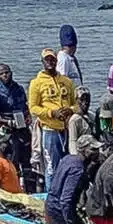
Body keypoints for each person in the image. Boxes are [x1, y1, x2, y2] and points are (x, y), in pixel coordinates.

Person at [29, 48, 76, 190]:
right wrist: (51, 113)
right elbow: (33, 108)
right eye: (47, 59)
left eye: (52, 59)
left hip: (67, 129)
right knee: (52, 167)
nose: (50, 62)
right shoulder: (37, 83)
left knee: (68, 165)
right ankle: (52, 197)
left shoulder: (66, 81)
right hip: (50, 130)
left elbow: (76, 104)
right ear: (42, 62)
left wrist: (70, 110)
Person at [44, 135, 102, 224]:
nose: (97, 152)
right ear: (83, 150)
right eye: (93, 150)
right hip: (58, 210)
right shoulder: (77, 168)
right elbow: (65, 200)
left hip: (51, 205)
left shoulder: (68, 158)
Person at [0, 64, 34, 191]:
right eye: (2, 74)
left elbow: (25, 106)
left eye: (7, 72)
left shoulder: (19, 89)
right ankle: (15, 190)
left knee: (28, 162)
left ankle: (31, 191)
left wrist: (28, 117)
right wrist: (6, 122)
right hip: (10, 132)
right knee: (13, 162)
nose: (5, 75)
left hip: (23, 129)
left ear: (11, 73)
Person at [67, 86, 96, 155]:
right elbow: (72, 141)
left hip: (92, 149)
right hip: (82, 152)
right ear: (76, 100)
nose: (85, 102)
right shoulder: (74, 120)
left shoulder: (92, 116)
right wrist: (76, 157)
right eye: (82, 99)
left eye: (87, 99)